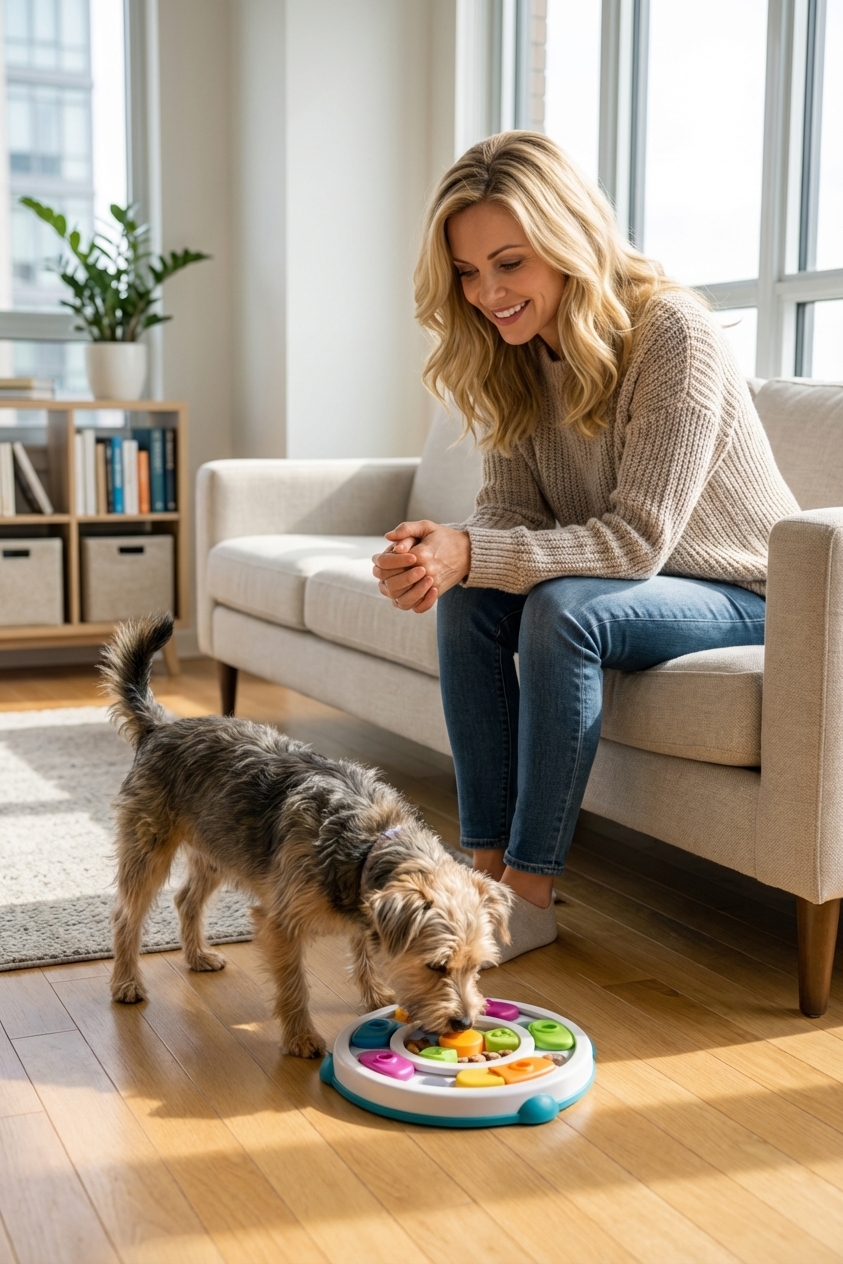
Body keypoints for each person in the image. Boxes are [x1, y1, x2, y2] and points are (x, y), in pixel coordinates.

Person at [371, 131, 798, 960]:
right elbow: (509, 512)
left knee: (563, 612)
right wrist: (445, 552)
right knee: (469, 596)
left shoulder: (672, 331)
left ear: (567, 242)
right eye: (466, 273)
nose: (487, 293)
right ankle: (481, 873)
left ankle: (530, 893)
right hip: (642, 585)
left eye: (509, 263)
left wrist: (475, 548)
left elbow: (636, 540)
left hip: (744, 591)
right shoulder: (516, 354)